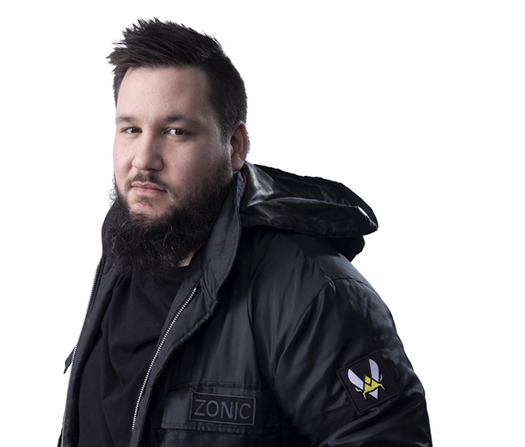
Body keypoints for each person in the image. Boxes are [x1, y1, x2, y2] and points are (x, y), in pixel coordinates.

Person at [59, 18, 432, 447]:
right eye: (131, 129)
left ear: (235, 147)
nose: (143, 159)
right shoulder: (129, 245)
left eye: (176, 132)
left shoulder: (311, 294)